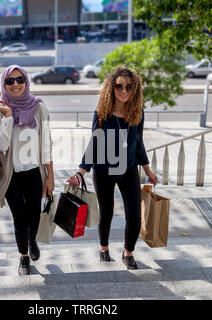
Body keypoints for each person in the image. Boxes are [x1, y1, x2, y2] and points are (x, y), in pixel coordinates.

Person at [67, 66, 158, 270]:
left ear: (135, 89)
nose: (124, 90)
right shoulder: (101, 114)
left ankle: (128, 252)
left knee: (134, 215)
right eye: (119, 86)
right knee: (106, 212)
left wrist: (148, 170)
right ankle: (104, 248)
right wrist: (80, 172)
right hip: (103, 171)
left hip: (128, 171)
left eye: (129, 86)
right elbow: (94, 144)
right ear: (111, 87)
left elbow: (139, 143)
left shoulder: (137, 113)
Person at [0, 65, 54, 276]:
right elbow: (0, 146)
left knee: (34, 214)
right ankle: (24, 257)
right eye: (10, 81)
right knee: (19, 217)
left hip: (35, 172)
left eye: (20, 80)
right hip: (11, 175)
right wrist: (8, 117)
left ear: (26, 82)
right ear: (4, 84)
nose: (15, 84)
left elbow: (46, 143)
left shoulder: (39, 108)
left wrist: (50, 176)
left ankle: (32, 239)